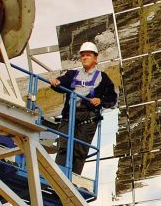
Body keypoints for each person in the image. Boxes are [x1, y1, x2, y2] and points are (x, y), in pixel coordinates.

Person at [49, 41, 118, 175]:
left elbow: (112, 99)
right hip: (69, 117)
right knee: (63, 147)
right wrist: (55, 82)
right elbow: (61, 82)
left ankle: (73, 179)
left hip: (88, 120)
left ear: (95, 58)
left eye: (88, 55)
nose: (85, 57)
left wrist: (101, 100)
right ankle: (58, 177)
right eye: (82, 55)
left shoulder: (102, 78)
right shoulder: (73, 75)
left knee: (79, 152)